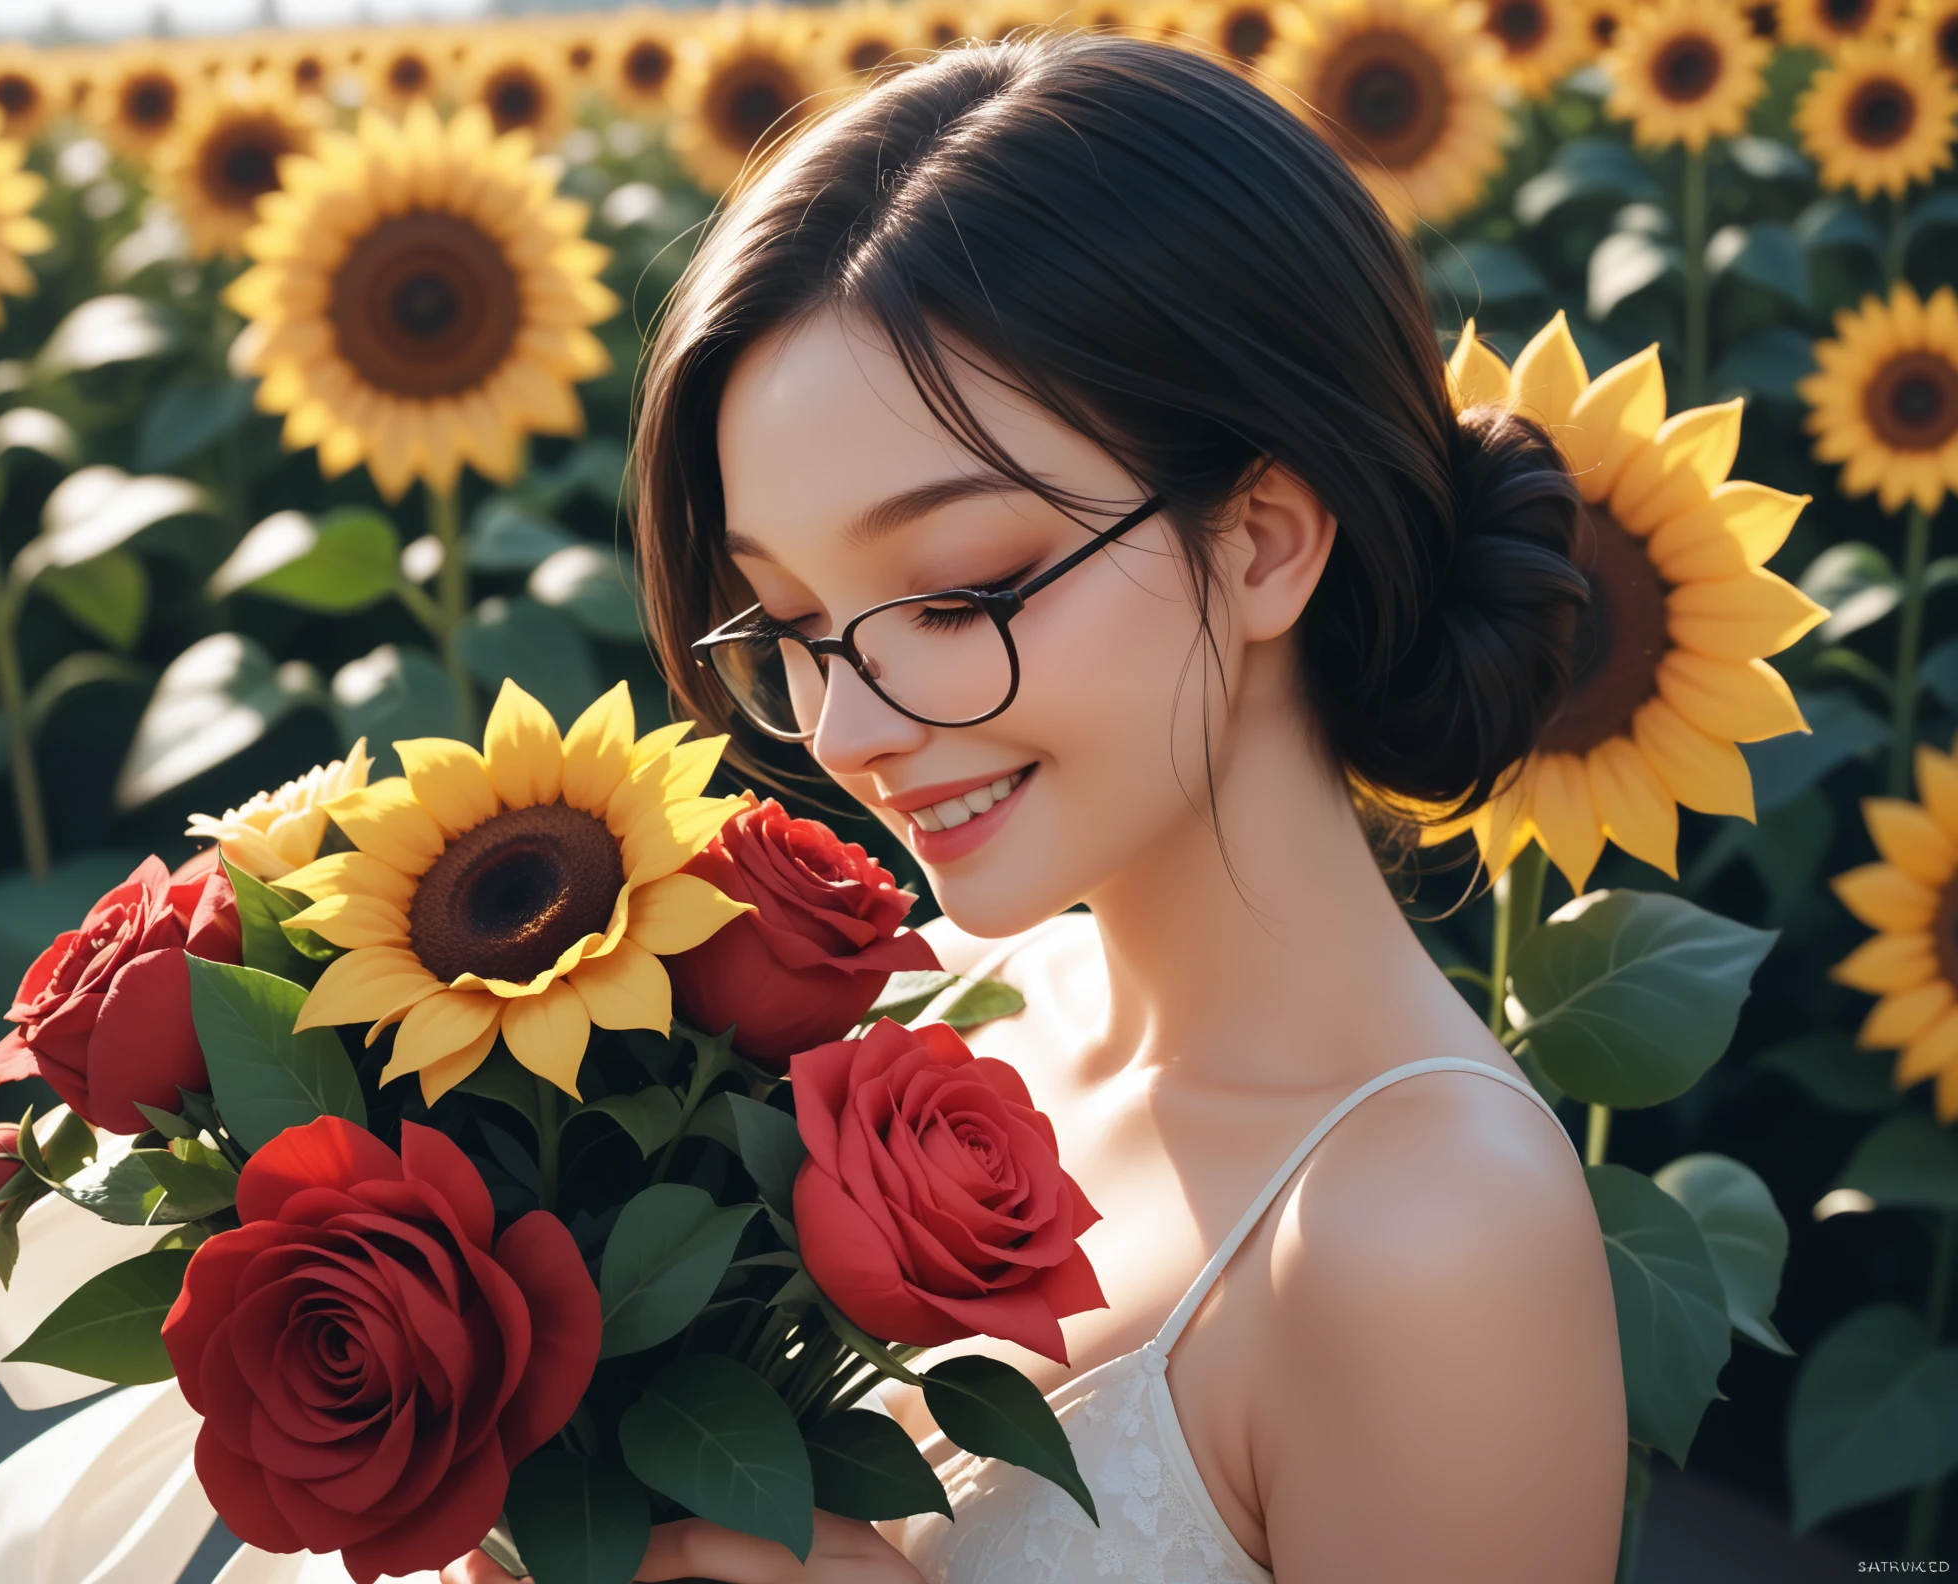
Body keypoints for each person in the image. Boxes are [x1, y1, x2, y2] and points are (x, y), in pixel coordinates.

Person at [446, 28, 1625, 1584]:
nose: (850, 727)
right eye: (791, 626)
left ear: (1266, 538)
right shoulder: (926, 1025)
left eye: (959, 593)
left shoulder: (1431, 1241)